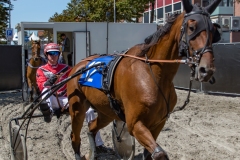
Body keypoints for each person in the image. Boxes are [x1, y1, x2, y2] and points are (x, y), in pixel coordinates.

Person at [36, 43, 111, 153]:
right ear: (46, 55)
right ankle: (47, 111)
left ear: (59, 54)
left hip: (67, 99)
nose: (53, 56)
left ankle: (98, 143)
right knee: (45, 91)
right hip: (51, 99)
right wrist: (49, 82)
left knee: (89, 111)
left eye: (56, 53)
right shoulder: (41, 70)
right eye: (50, 53)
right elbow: (41, 85)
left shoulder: (66, 69)